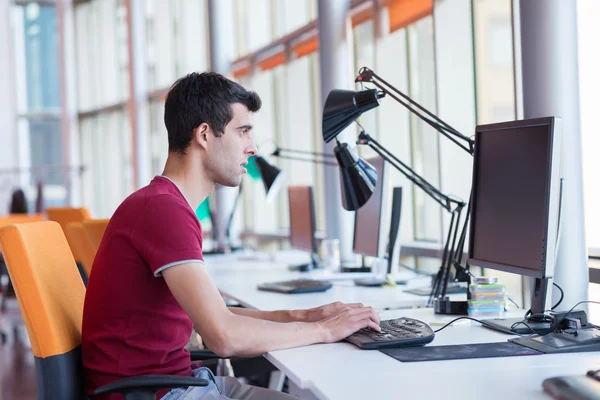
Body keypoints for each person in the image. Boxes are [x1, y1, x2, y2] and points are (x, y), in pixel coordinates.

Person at [81, 72, 381, 400]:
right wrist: (324, 330)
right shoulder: (162, 210)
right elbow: (223, 337)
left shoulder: (163, 203)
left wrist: (305, 315)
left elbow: (217, 316)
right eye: (243, 132)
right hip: (158, 393)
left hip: (178, 383)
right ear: (205, 135)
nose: (252, 148)